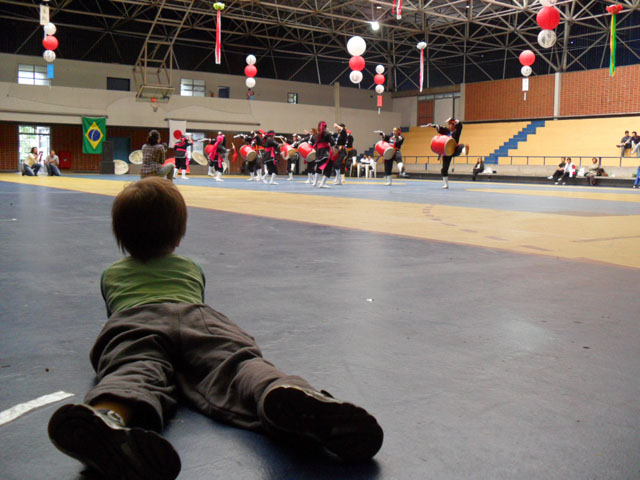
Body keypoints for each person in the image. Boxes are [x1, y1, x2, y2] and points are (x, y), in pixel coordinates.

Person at [46, 177, 384, 480]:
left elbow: (113, 311)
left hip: (136, 320)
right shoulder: (191, 268)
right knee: (236, 363)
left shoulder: (111, 274)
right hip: (199, 318)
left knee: (135, 366)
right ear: (178, 235)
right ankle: (279, 389)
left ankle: (107, 416)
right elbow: (197, 300)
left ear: (121, 235)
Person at [428, 118, 470, 189]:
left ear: (454, 125)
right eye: (449, 124)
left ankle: (465, 151)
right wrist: (432, 125)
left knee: (461, 146)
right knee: (444, 169)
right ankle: (446, 184)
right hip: (446, 152)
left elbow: (459, 125)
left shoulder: (457, 131)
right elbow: (439, 127)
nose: (449, 126)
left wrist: (453, 119)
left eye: (450, 124)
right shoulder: (446, 131)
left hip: (454, 149)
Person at [313, 121, 335, 189]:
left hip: (318, 152)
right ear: (325, 126)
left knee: (319, 166)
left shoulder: (316, 134)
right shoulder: (327, 133)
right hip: (325, 152)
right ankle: (322, 183)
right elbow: (332, 143)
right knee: (328, 167)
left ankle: (315, 182)